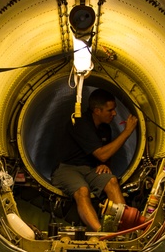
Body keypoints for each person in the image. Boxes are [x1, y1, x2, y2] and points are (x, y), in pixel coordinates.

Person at [52, 88, 138, 231]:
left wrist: (104, 165)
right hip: (68, 168)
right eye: (110, 110)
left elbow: (105, 157)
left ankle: (122, 230)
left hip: (90, 170)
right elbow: (102, 154)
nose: (114, 113)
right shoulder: (79, 123)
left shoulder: (105, 128)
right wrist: (127, 132)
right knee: (82, 190)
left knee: (111, 181)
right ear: (97, 111)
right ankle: (100, 233)